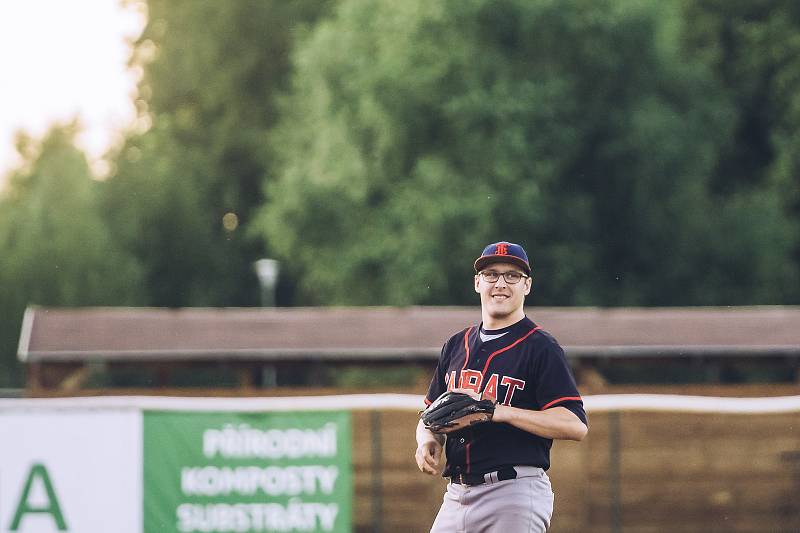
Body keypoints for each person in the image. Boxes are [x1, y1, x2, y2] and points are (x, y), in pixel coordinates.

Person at [415, 241, 588, 533]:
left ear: (527, 285)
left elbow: (575, 425)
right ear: (477, 282)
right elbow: (430, 415)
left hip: (513, 492)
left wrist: (499, 412)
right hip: (457, 494)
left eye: (512, 276)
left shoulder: (540, 347)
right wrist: (427, 440)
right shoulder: (456, 345)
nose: (501, 284)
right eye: (492, 274)